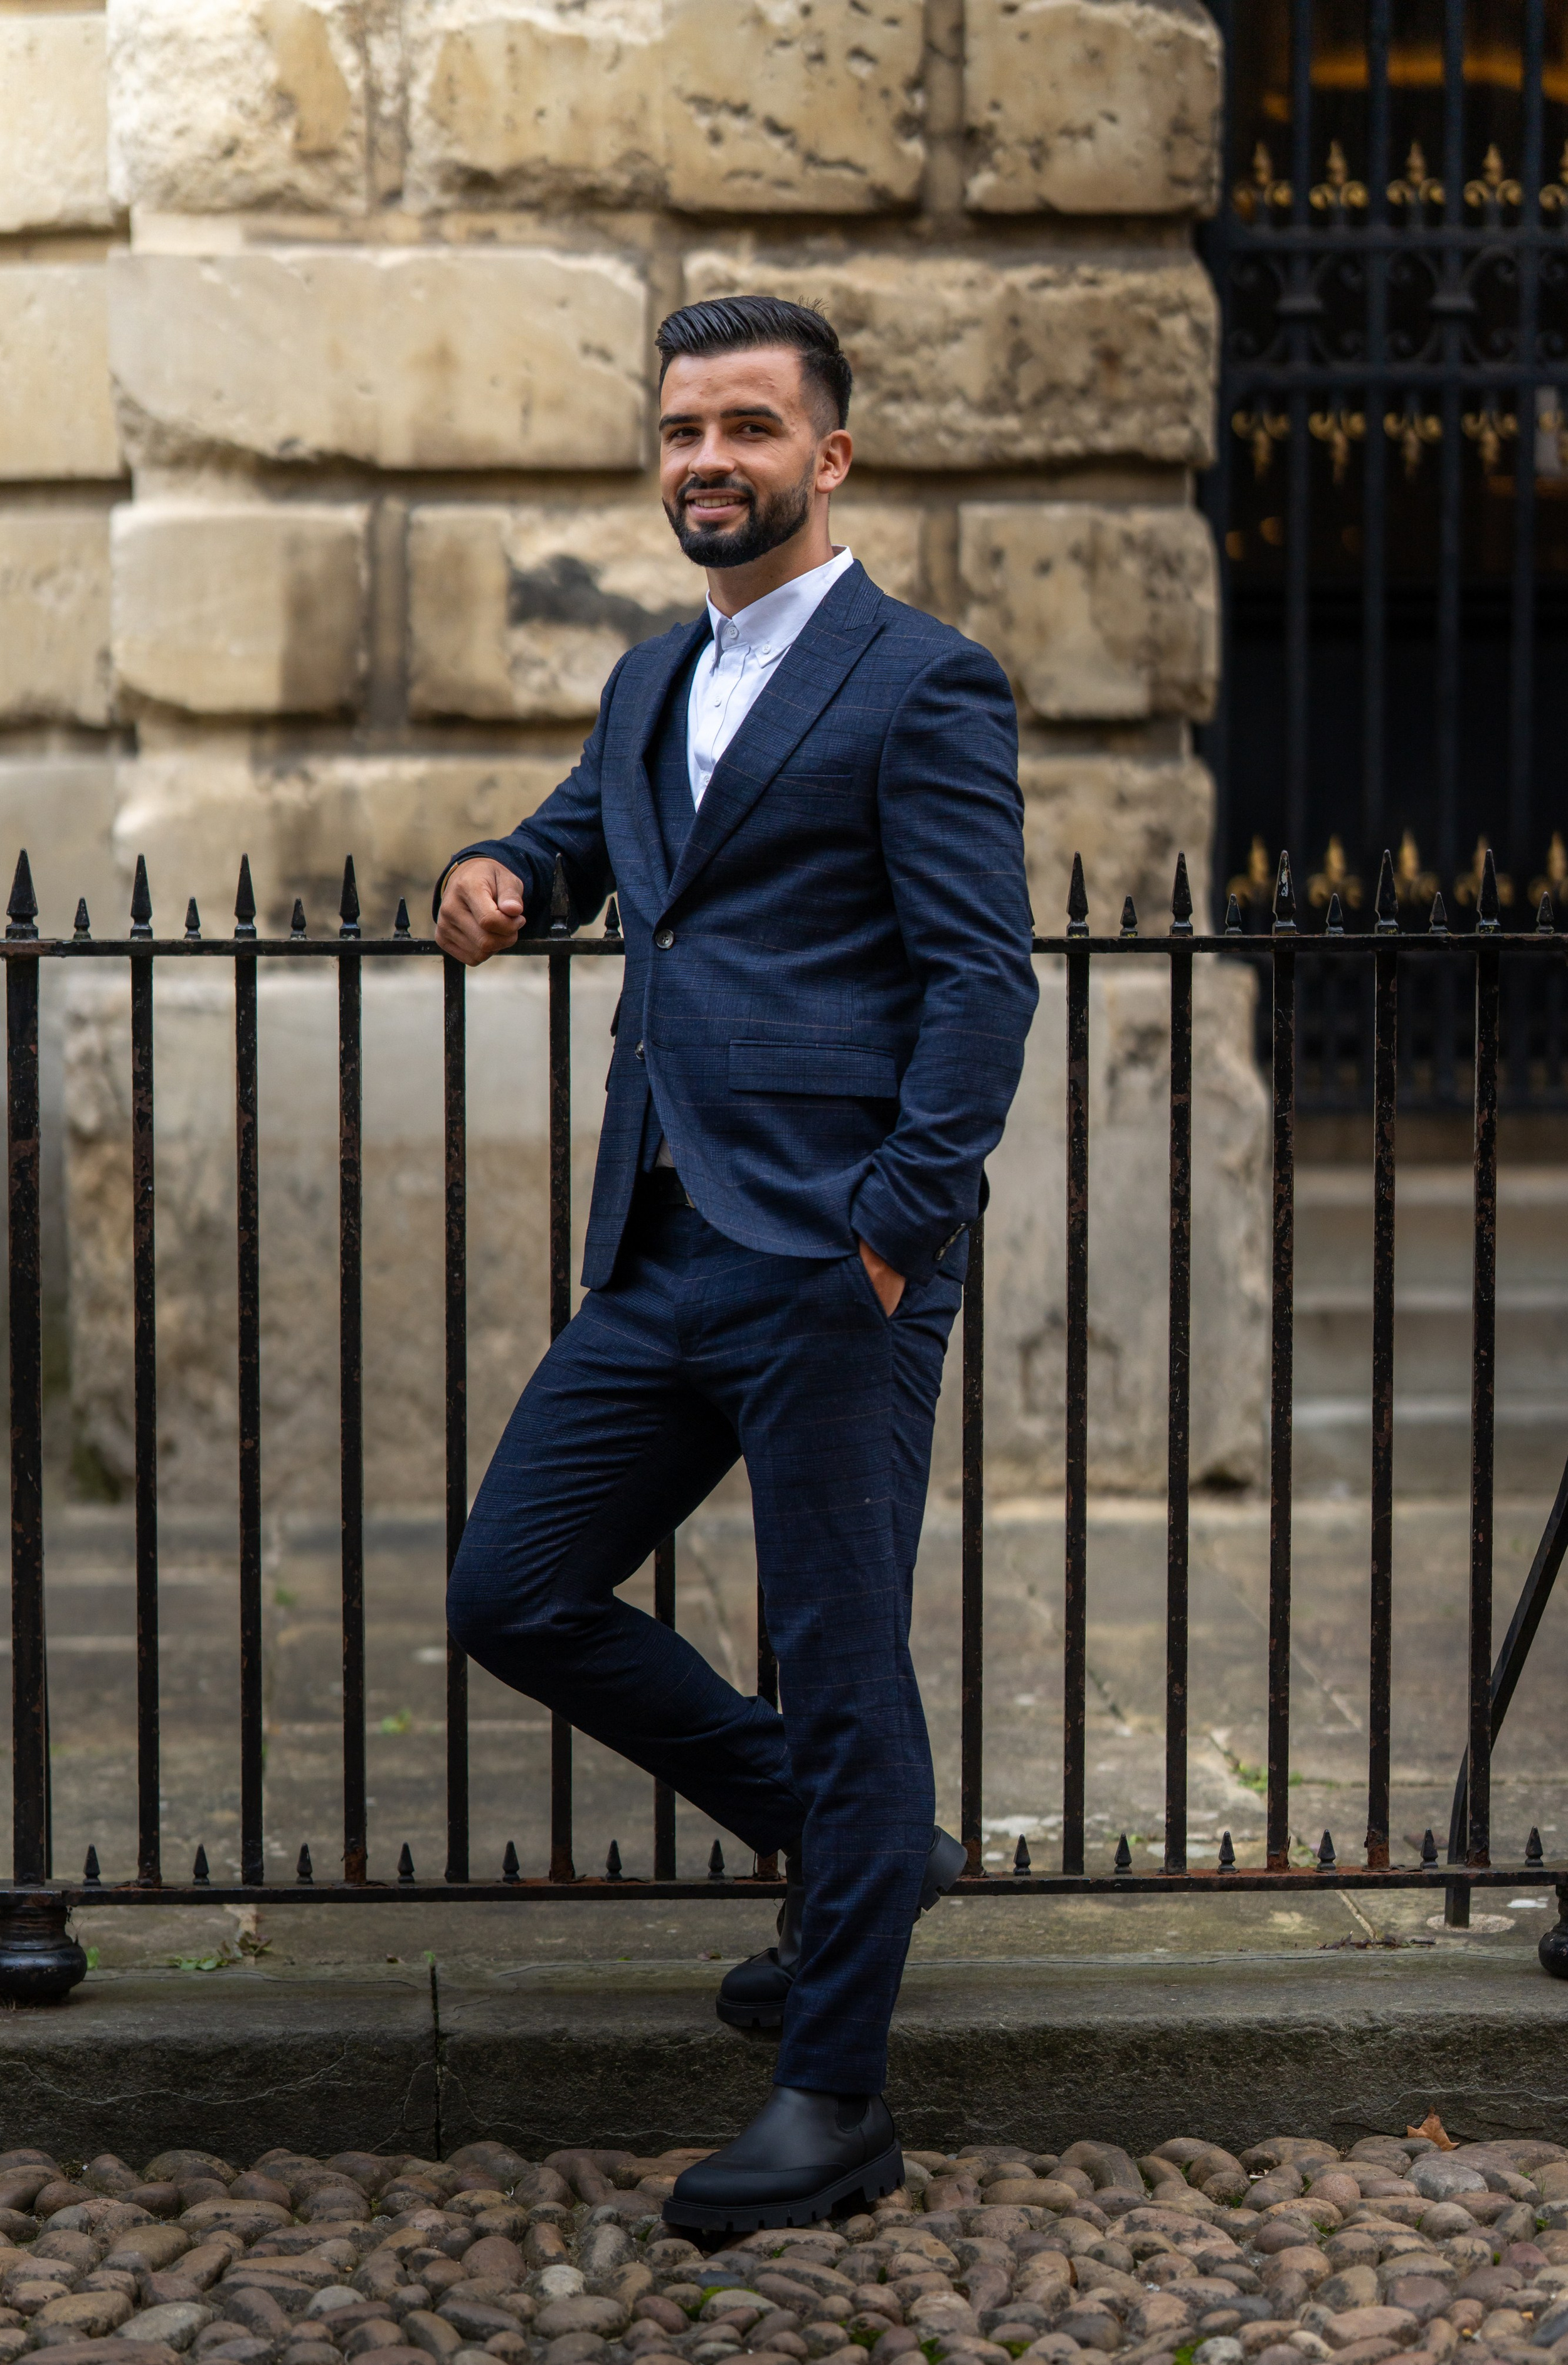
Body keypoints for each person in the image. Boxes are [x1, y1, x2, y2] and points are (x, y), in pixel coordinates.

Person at [435, 294, 1036, 2235]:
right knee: (515, 1587)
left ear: (827, 457)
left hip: (831, 1263)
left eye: (751, 427)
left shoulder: (922, 682)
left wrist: (893, 1236)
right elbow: (592, 848)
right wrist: (501, 876)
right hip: (664, 1243)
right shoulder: (649, 679)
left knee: (839, 1662)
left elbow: (983, 980)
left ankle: (834, 2099)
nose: (711, 459)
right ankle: (857, 1853)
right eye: (686, 427)